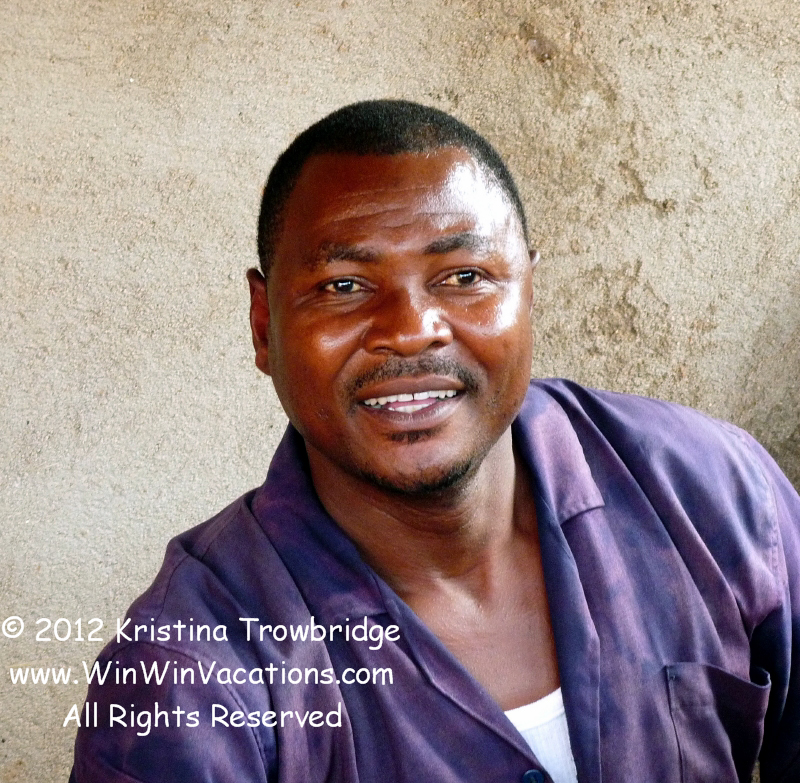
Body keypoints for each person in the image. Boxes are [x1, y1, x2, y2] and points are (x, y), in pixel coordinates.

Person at [70, 100, 800, 783]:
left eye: (464, 276)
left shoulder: (715, 493)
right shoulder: (190, 672)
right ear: (264, 326)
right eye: (344, 286)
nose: (411, 329)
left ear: (529, 292)